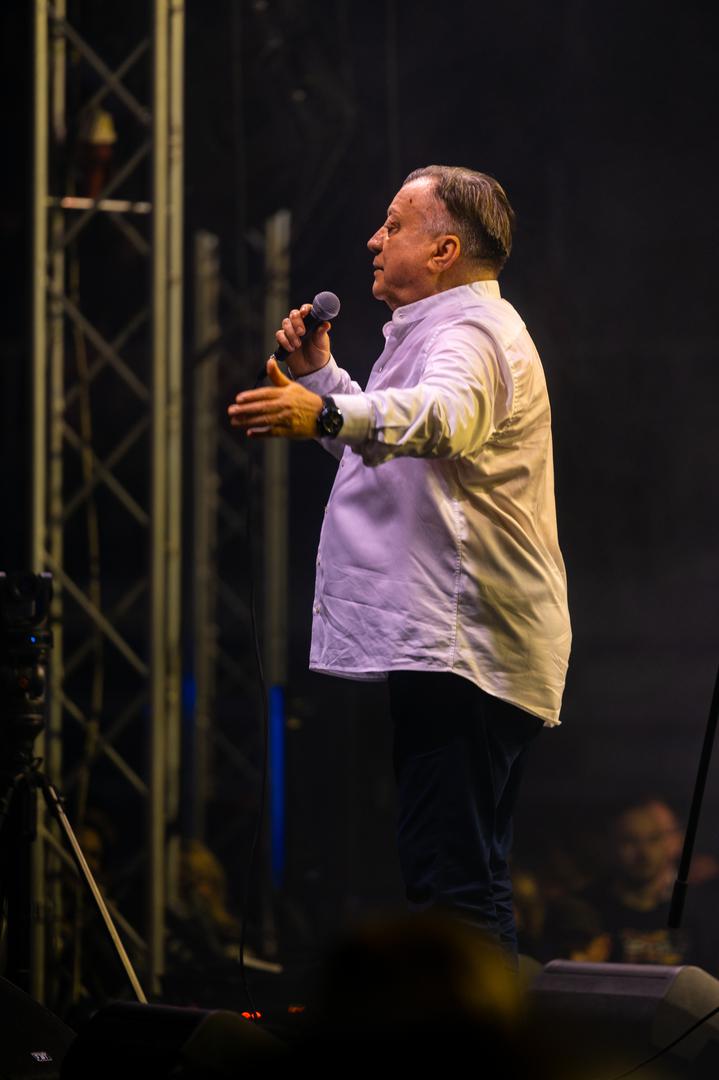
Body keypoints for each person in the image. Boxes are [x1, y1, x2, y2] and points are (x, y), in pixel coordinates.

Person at [228, 164, 571, 960]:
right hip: (463, 646)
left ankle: (471, 1033)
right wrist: (322, 381)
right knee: (462, 879)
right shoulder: (443, 334)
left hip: (465, 645)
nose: (372, 240)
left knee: (452, 889)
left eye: (393, 225)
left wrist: (324, 409)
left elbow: (442, 419)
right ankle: (487, 1028)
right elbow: (400, 459)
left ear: (444, 250)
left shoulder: (472, 333)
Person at [581, 797, 719, 973]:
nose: (644, 852)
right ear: (610, 845)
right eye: (630, 841)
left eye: (653, 839)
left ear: (670, 843)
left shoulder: (703, 910)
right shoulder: (585, 911)